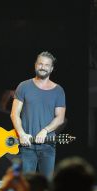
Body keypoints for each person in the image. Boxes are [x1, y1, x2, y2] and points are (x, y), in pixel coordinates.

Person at [10, 51, 66, 179]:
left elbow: (60, 118)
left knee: (46, 185)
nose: (43, 67)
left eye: (47, 65)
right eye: (40, 63)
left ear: (51, 69)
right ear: (35, 65)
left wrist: (45, 131)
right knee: (24, 186)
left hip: (48, 145)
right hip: (26, 145)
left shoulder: (58, 90)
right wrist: (22, 134)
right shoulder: (23, 86)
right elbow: (14, 114)